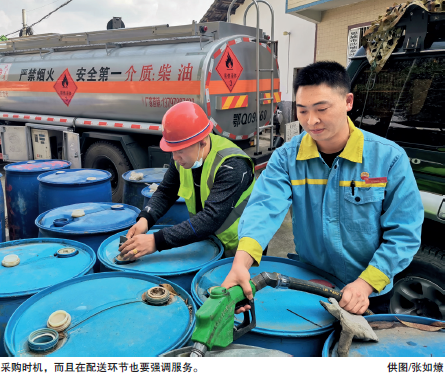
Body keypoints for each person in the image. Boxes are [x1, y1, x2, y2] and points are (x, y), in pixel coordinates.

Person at [222, 61, 423, 315]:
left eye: (321, 109)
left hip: (368, 293)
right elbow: (264, 207)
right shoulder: (287, 158)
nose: (311, 121)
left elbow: (404, 233)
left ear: (348, 102)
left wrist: (365, 284)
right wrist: (242, 261)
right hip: (313, 284)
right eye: (302, 110)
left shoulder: (389, 159)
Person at [119, 101, 256, 260]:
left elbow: (210, 218)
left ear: (202, 142)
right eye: (172, 151)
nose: (175, 158)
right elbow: (165, 192)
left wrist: (156, 241)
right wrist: (145, 219)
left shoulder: (232, 165)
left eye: (181, 151)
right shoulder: (182, 160)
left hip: (241, 248)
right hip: (209, 242)